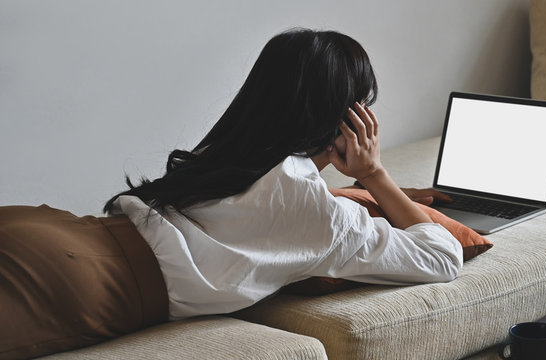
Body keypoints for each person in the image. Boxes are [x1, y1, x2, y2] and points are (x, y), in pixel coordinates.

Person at [102, 28, 463, 320]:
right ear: (347, 121)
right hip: (101, 289)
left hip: (87, 239)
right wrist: (374, 174)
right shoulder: (312, 211)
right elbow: (442, 256)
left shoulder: (228, 157)